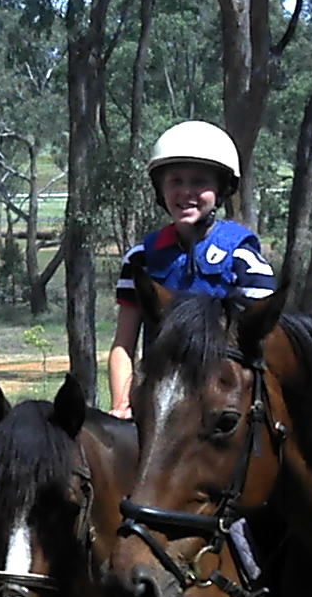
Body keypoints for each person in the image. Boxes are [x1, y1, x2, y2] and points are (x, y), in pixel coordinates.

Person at [106, 121, 275, 418]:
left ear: (221, 189)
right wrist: (122, 404)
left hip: (220, 405)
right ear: (160, 189)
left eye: (199, 182)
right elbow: (123, 344)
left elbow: (268, 344)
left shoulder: (243, 260)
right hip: (160, 401)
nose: (186, 192)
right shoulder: (140, 260)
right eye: (175, 181)